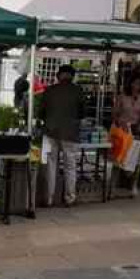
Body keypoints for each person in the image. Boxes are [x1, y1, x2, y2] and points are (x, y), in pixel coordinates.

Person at [39, 64, 84, 207]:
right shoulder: (78, 91)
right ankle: (70, 198)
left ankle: (49, 198)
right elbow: (83, 112)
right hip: (70, 133)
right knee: (70, 166)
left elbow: (41, 113)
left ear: (58, 75)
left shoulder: (49, 90)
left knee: (51, 165)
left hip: (51, 131)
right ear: (72, 76)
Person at [114, 72, 140, 136]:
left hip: (136, 129)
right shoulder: (122, 96)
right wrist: (120, 122)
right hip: (122, 127)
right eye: (136, 83)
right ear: (131, 84)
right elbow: (114, 112)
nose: (138, 85)